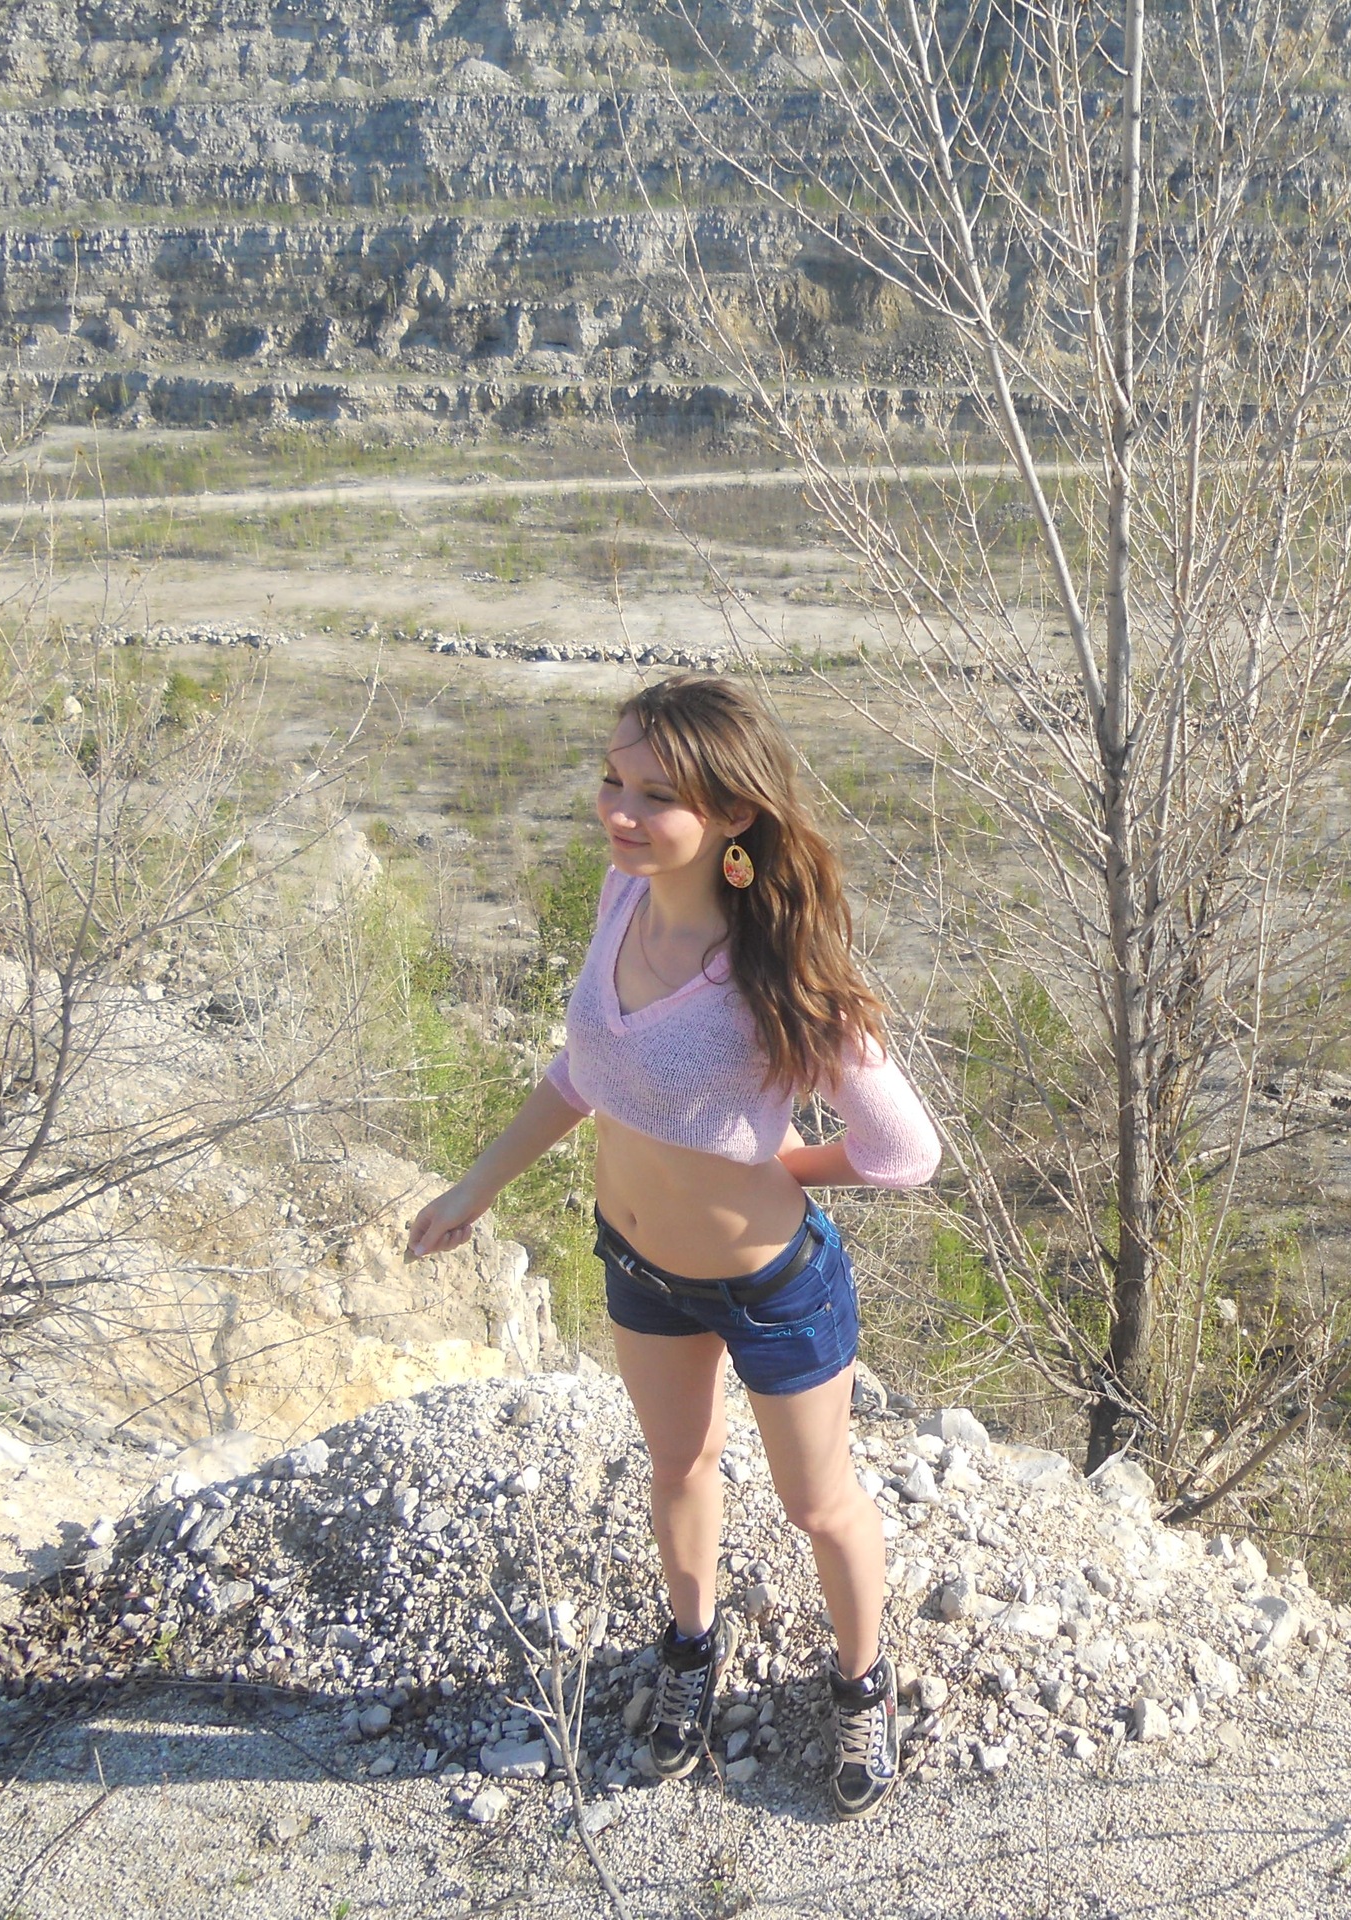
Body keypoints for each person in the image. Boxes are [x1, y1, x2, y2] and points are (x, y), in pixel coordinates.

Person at [407, 674, 941, 1820]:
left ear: (734, 813)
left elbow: (903, 1151)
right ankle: (690, 1651)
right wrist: (475, 1189)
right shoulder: (621, 897)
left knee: (818, 1506)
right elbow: (580, 1078)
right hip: (638, 1265)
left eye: (656, 795)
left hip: (770, 1288)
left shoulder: (781, 970)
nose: (619, 809)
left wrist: (777, 1169)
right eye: (613, 778)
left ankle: (861, 1682)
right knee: (677, 1469)